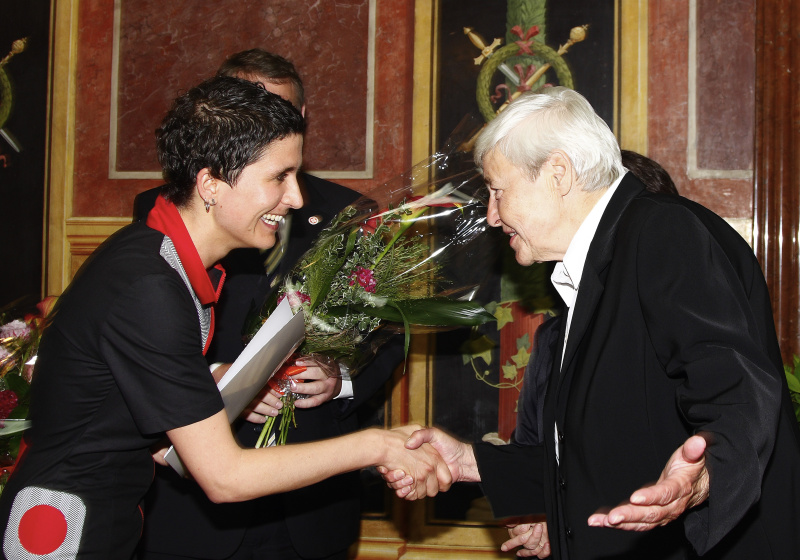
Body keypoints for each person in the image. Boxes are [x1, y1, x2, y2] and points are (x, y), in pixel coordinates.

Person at [0, 76, 450, 560]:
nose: (296, 198)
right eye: (279, 177)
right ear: (211, 183)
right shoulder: (148, 286)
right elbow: (223, 477)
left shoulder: (162, 260)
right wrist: (377, 446)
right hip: (63, 530)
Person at [383, 87, 800, 559]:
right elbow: (607, 450)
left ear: (557, 173)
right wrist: (470, 461)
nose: (493, 215)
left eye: (498, 191)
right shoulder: (599, 264)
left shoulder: (663, 232)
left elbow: (736, 386)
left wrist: (707, 473)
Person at [134, 49, 402, 560]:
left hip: (307, 505)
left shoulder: (349, 215)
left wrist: (339, 375)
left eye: (276, 114)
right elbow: (148, 340)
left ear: (301, 119)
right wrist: (223, 381)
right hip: (194, 507)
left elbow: (387, 330)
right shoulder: (167, 216)